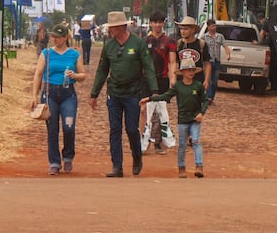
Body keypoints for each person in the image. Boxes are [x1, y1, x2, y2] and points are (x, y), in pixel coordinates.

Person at [89, 11, 158, 177]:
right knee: (115, 129)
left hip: (133, 92)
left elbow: (148, 67)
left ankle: (137, 157)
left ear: (121, 27)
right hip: (114, 93)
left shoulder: (138, 43)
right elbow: (102, 70)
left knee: (132, 129)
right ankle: (117, 166)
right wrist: (94, 93)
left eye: (113, 27)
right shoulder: (109, 46)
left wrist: (154, 90)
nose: (110, 30)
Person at [31, 23, 86, 175]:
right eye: (53, 36)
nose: (54, 39)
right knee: (52, 128)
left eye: (58, 37)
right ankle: (54, 162)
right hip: (50, 94)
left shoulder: (74, 54)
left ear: (65, 37)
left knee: (69, 126)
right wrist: (34, 95)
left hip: (68, 94)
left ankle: (68, 156)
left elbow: (83, 75)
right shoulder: (46, 53)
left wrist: (74, 76)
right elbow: (38, 74)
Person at [140, 58, 208, 178]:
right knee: (182, 144)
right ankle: (181, 167)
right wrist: (149, 99)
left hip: (195, 120)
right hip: (182, 120)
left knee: (196, 141)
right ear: (182, 72)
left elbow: (205, 101)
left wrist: (201, 113)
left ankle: (199, 166)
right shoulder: (178, 86)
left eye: (192, 70)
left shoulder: (198, 86)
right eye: (188, 70)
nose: (191, 73)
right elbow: (166, 96)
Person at [143, 11, 177, 154]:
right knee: (145, 111)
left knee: (160, 111)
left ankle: (158, 141)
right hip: (146, 80)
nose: (157, 25)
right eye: (155, 22)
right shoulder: (144, 41)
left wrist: (173, 78)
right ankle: (143, 143)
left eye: (160, 22)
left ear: (163, 23)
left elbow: (173, 61)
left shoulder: (169, 41)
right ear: (151, 23)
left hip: (162, 79)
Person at [173, 16, 211, 90]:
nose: (182, 31)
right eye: (181, 29)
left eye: (186, 29)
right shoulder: (178, 44)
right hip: (181, 81)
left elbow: (207, 63)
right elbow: (175, 63)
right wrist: (174, 79)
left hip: (197, 80)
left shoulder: (201, 44)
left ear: (193, 30)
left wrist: (206, 80)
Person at [201, 19, 230, 104]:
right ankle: (208, 97)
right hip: (207, 62)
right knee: (208, 80)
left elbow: (225, 46)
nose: (214, 27)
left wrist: (228, 54)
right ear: (208, 27)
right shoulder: (204, 37)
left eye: (215, 25)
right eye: (212, 26)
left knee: (215, 81)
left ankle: (211, 98)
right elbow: (200, 47)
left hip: (217, 61)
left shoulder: (220, 36)